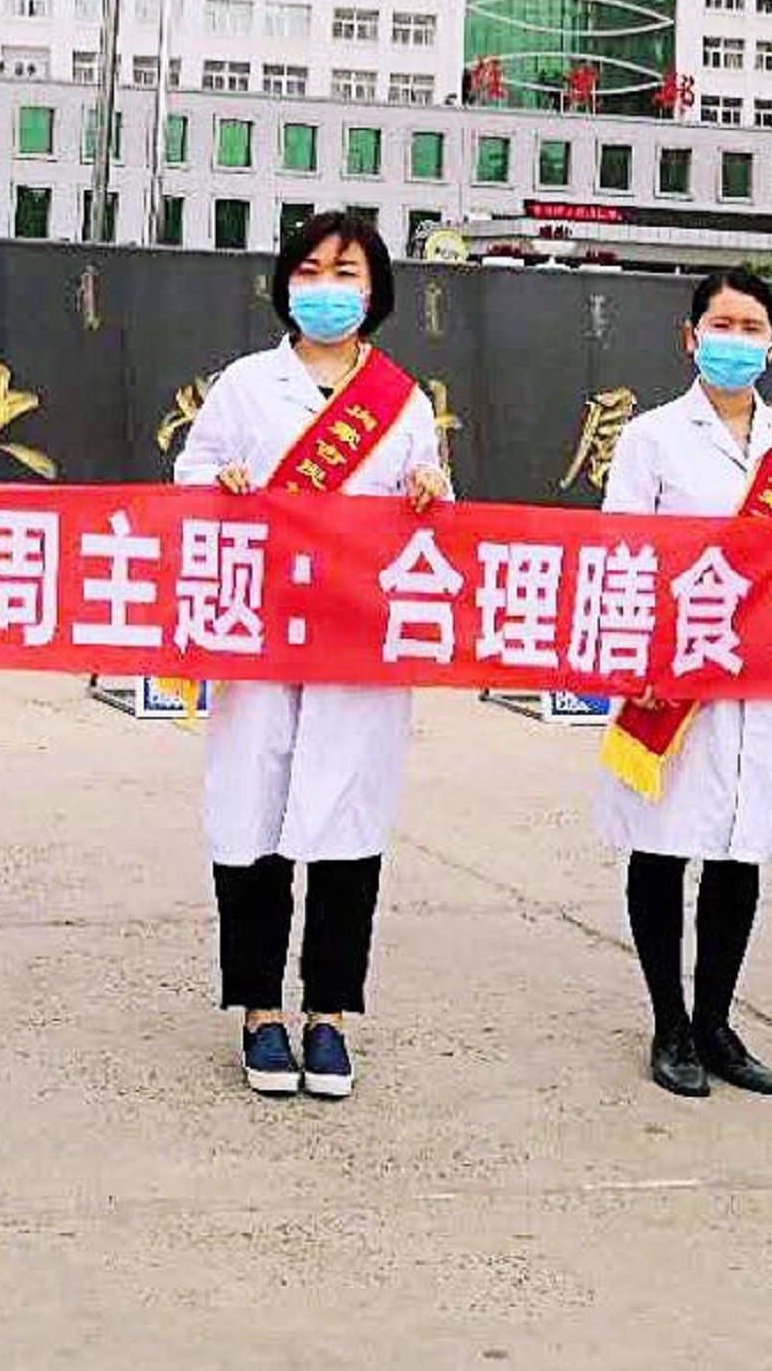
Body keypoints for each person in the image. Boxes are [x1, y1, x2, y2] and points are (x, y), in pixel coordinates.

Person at [174, 210, 452, 1103]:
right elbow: (190, 478)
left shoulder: (402, 401)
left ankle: (329, 1013)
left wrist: (431, 488)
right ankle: (260, 1008)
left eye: (347, 271)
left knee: (348, 825)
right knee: (252, 818)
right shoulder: (246, 385)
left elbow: (431, 507)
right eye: (311, 269)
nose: (327, 287)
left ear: (375, 291)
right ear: (286, 283)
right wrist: (220, 486)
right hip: (260, 632)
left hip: (356, 643)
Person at [592, 268, 772, 1102]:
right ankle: (670, 1022)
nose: (735, 340)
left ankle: (717, 1020)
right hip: (674, 670)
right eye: (720, 325)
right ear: (690, 338)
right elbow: (623, 552)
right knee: (661, 844)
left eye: (751, 326)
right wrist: (640, 656)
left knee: (739, 846)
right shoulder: (653, 436)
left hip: (762, 675)